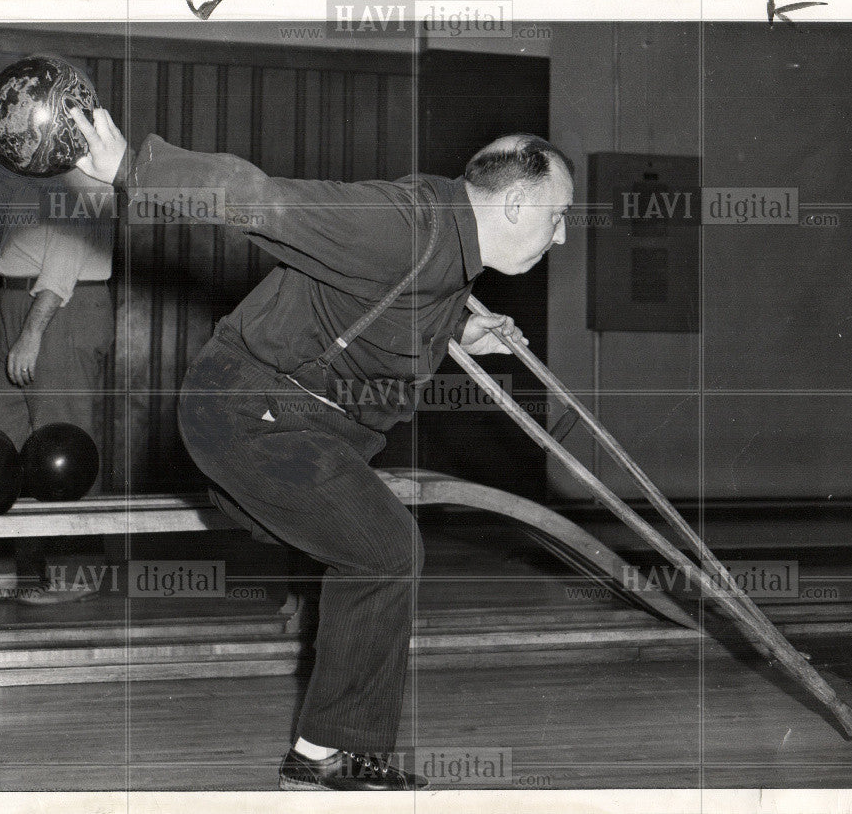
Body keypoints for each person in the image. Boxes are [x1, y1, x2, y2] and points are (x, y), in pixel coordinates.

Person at [71, 106, 573, 790]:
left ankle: (334, 750)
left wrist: (458, 325)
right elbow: (259, 199)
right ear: (517, 201)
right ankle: (321, 756)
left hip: (300, 420)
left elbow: (386, 306)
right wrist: (134, 169)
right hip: (247, 407)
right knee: (385, 546)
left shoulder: (450, 251)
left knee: (377, 545)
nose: (563, 233)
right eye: (558, 216)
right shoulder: (403, 224)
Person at [0, 170, 116, 605]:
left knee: (63, 445)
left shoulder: (88, 173)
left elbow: (66, 252)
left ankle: (75, 573)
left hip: (62, 307)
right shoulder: (31, 173)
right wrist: (2, 317)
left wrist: (32, 330)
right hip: (16, 301)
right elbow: (20, 246)